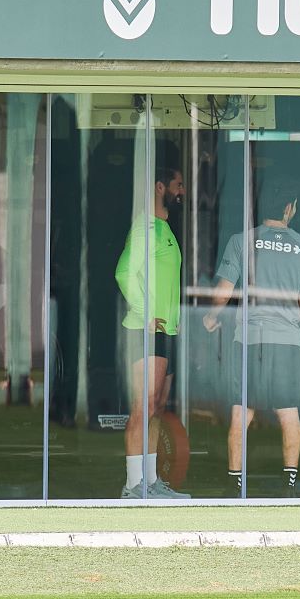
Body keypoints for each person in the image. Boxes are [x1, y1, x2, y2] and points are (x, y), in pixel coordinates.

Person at [203, 177, 300, 497]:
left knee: (242, 412)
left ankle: (234, 483)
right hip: (286, 341)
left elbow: (224, 290)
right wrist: (288, 320)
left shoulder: (242, 241)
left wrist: (212, 318)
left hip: (249, 338)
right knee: (288, 412)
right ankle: (289, 486)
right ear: (289, 209)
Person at [114, 165, 190, 499]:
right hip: (146, 330)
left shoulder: (165, 229)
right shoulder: (146, 227)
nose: (182, 191)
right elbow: (124, 273)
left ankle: (151, 482)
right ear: (160, 187)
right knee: (142, 408)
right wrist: (145, 312)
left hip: (166, 331)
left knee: (157, 409)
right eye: (178, 184)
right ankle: (133, 487)